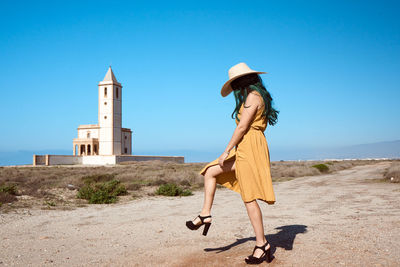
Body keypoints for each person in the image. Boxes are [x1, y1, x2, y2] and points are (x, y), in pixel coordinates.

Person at [185, 62, 279, 264]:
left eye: (236, 84)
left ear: (241, 82)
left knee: (249, 197)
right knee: (210, 171)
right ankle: (205, 215)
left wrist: (226, 150)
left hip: (250, 146)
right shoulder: (254, 95)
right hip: (247, 146)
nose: (236, 89)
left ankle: (262, 244)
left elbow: (242, 127)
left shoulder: (253, 97)